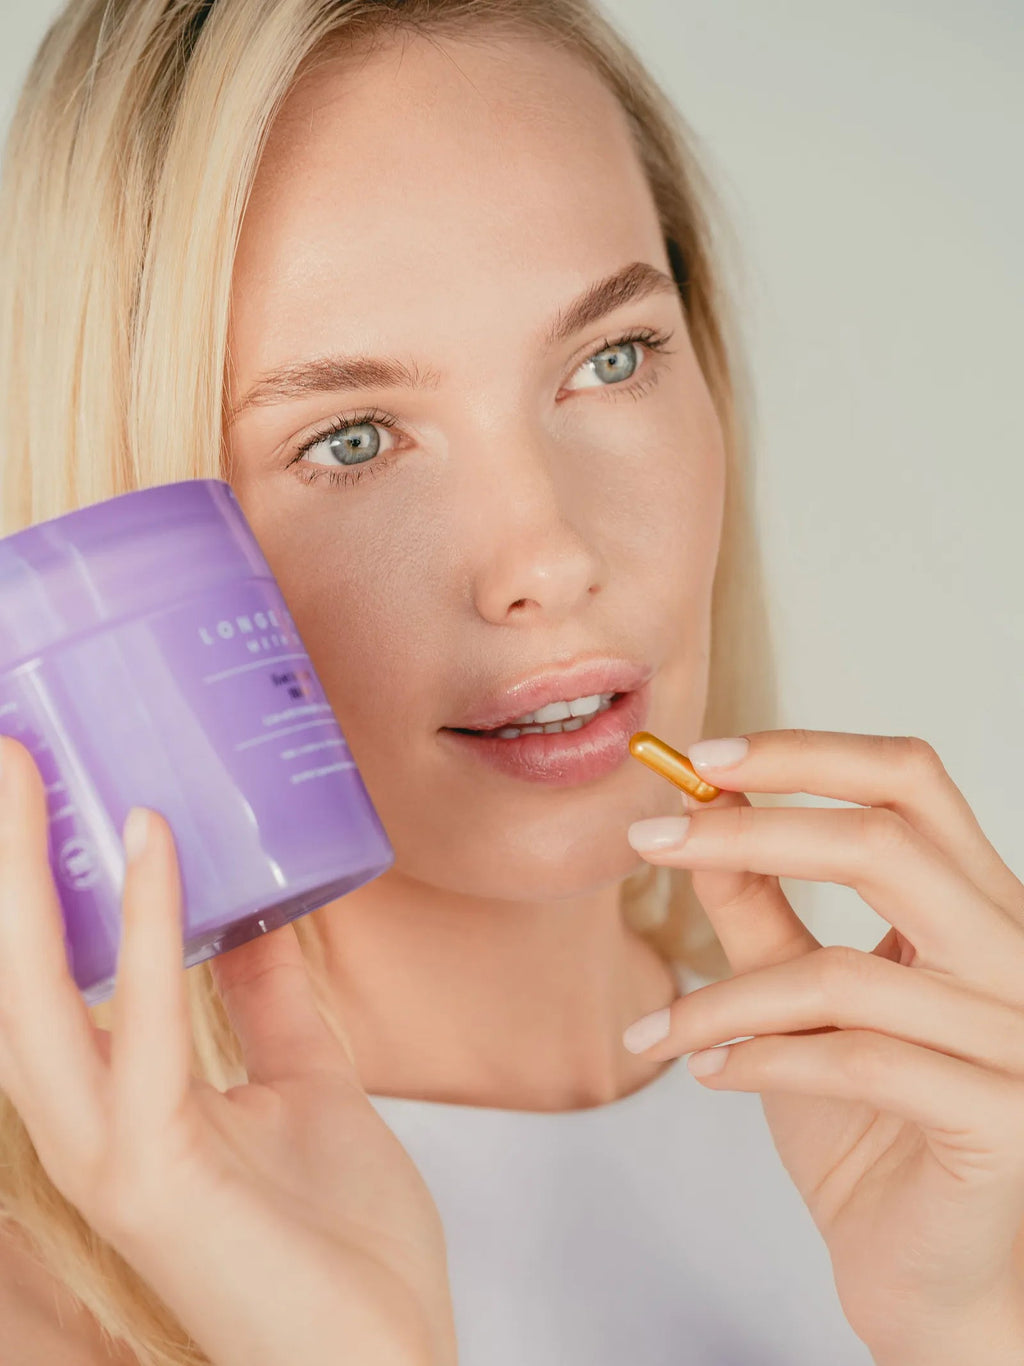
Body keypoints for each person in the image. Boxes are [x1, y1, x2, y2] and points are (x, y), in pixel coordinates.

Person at [2, 3, 1022, 1365]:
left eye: (612, 358)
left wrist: (970, 1326)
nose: (548, 554)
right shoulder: (49, 1296)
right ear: (135, 533)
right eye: (353, 438)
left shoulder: (955, 1151)